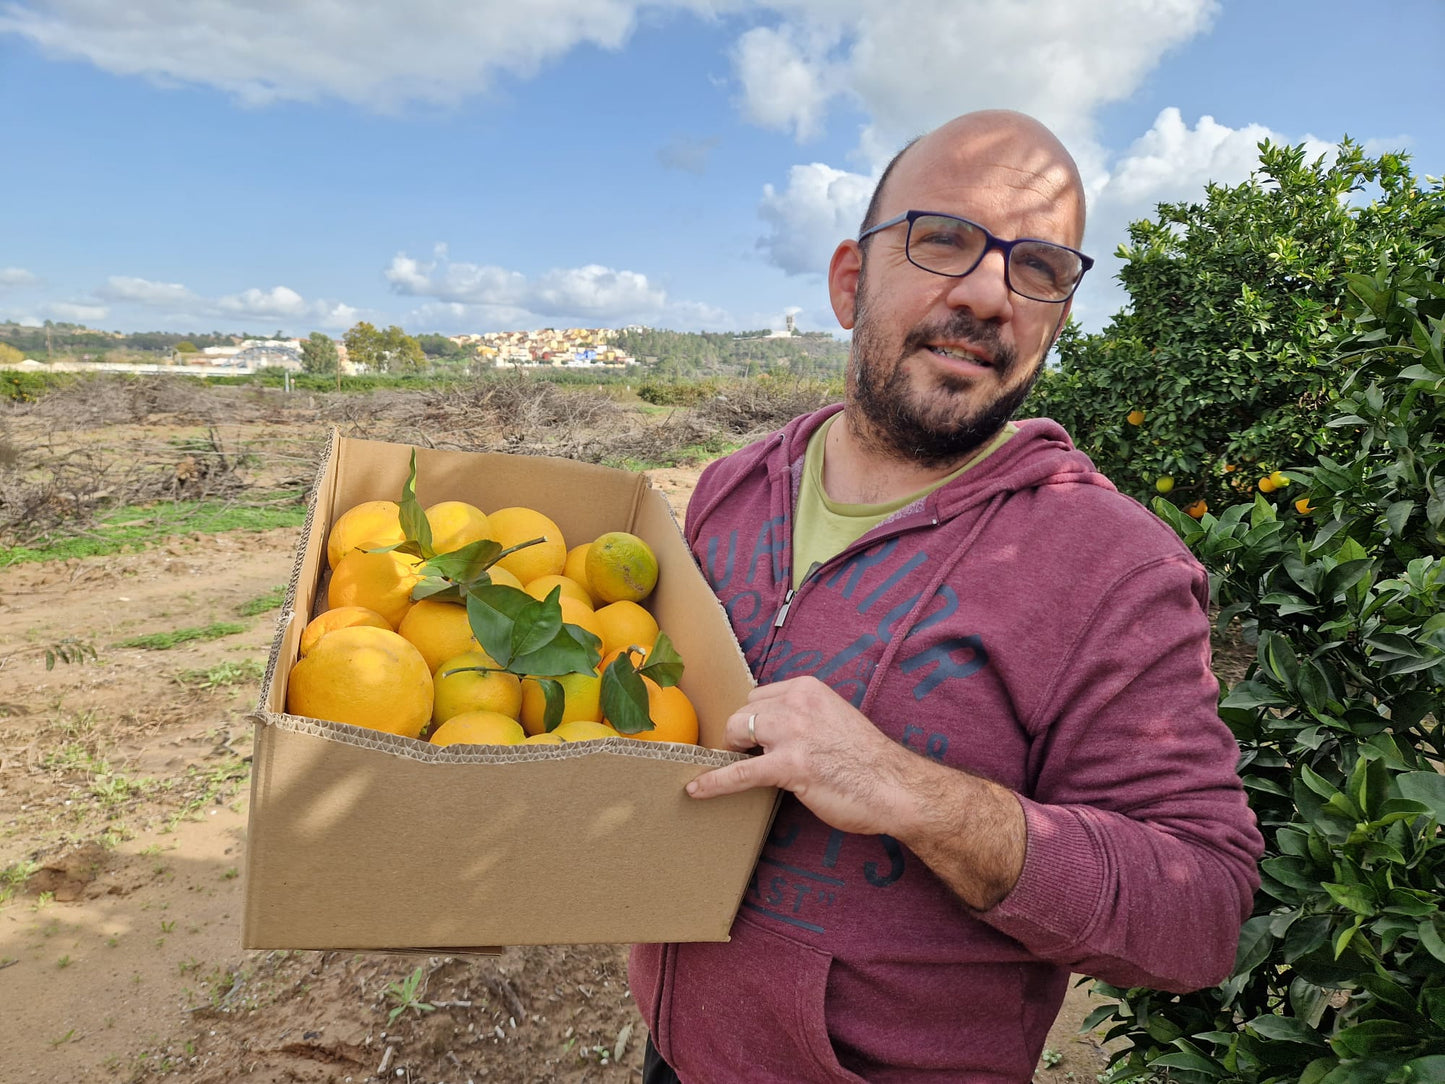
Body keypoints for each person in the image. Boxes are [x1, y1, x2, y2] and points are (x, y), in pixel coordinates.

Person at [628, 109, 1264, 1083]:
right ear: (849, 281)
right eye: (943, 240)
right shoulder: (729, 488)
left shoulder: (1111, 569)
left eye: (1038, 267)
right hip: (675, 1049)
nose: (988, 294)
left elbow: (1201, 909)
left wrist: (911, 794)